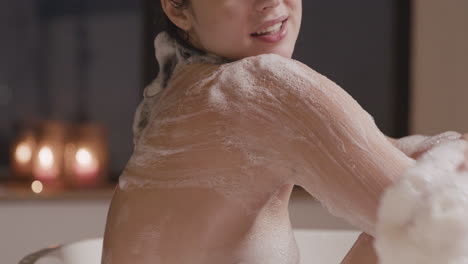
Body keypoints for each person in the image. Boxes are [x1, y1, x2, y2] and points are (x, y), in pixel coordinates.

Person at [101, 0, 468, 263]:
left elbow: (382, 152)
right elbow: (439, 221)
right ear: (177, 7)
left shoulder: (182, 91)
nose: (270, 2)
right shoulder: (256, 86)